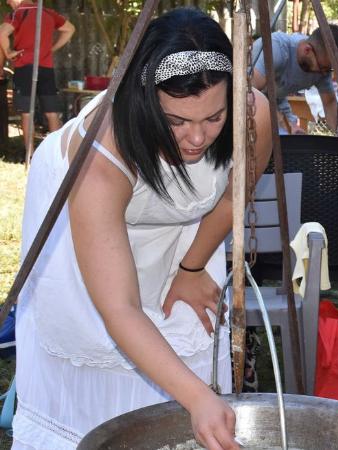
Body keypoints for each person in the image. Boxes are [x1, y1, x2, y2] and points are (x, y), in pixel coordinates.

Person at [13, 8, 271, 450]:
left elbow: (233, 193)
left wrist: (191, 269)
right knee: (96, 337)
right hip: (81, 226)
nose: (197, 138)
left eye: (213, 118)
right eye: (176, 122)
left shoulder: (252, 113)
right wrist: (198, 397)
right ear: (146, 101)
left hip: (178, 227)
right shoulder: (101, 156)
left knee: (182, 327)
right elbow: (120, 309)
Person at [0, 0, 74, 144]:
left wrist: (8, 52)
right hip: (46, 69)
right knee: (52, 113)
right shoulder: (48, 12)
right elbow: (70, 29)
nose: (8, 3)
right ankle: (56, 154)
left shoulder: (18, 13)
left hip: (25, 68)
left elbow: (2, 33)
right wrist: (52, 49)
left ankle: (31, 156)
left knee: (27, 114)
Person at [250, 24, 338, 134]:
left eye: (328, 69)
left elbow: (330, 103)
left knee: (294, 140)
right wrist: (285, 124)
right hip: (246, 101)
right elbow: (251, 92)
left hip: (277, 102)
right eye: (322, 68)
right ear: (307, 50)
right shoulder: (278, 49)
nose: (324, 73)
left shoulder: (322, 66)